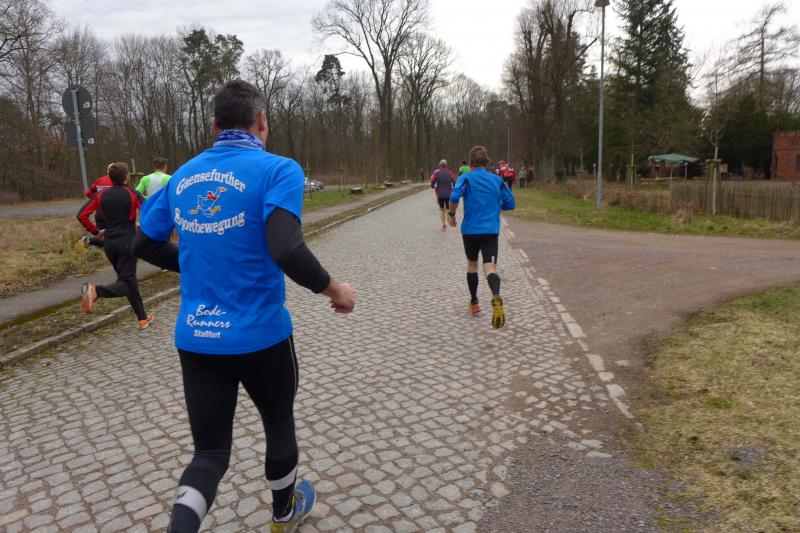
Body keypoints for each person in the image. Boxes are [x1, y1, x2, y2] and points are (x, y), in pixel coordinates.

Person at [133, 79, 356, 533]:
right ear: (261, 122)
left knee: (209, 454)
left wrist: (195, 264)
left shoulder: (182, 176)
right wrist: (335, 290)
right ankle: (283, 512)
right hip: (261, 337)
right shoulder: (279, 170)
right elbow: (285, 248)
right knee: (278, 423)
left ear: (214, 125)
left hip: (197, 339)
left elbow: (144, 244)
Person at [77, 162, 153, 329]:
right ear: (127, 178)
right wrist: (142, 225)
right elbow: (150, 211)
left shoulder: (101, 195)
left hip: (109, 244)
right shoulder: (133, 194)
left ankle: (142, 318)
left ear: (110, 179)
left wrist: (96, 232)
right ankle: (95, 291)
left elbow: (82, 215)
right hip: (128, 244)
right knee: (127, 282)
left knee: (128, 280)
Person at [448, 146, 515, 329]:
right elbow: (510, 203)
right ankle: (496, 296)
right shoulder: (497, 180)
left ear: (470, 163)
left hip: (470, 231)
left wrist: (451, 215)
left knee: (472, 265)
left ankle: (474, 303)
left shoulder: (465, 178)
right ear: (487, 162)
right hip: (490, 231)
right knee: (490, 267)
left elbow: (454, 197)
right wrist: (495, 207)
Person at [77, 164, 114, 249]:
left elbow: (88, 193)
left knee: (101, 236)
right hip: (112, 213)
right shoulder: (117, 181)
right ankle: (90, 241)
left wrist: (97, 202)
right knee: (114, 237)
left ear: (107, 171)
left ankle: (88, 241)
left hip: (99, 213)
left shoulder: (99, 180)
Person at [431, 159, 456, 230]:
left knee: (442, 209)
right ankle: (451, 221)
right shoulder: (450, 173)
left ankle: (444, 225)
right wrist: (452, 188)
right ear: (446, 165)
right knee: (448, 209)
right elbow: (454, 182)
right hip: (448, 194)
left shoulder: (436, 173)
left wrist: (436, 187)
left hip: (440, 194)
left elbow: (432, 184)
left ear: (439, 165)